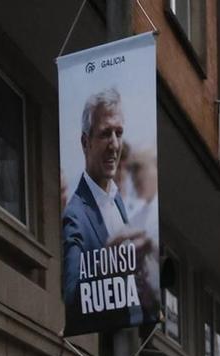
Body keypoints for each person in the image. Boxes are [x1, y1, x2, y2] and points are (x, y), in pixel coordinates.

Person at [60, 87, 154, 328]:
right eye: (105, 134)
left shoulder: (117, 199)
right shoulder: (75, 214)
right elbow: (71, 297)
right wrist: (107, 264)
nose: (114, 144)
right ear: (85, 142)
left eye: (119, 133)